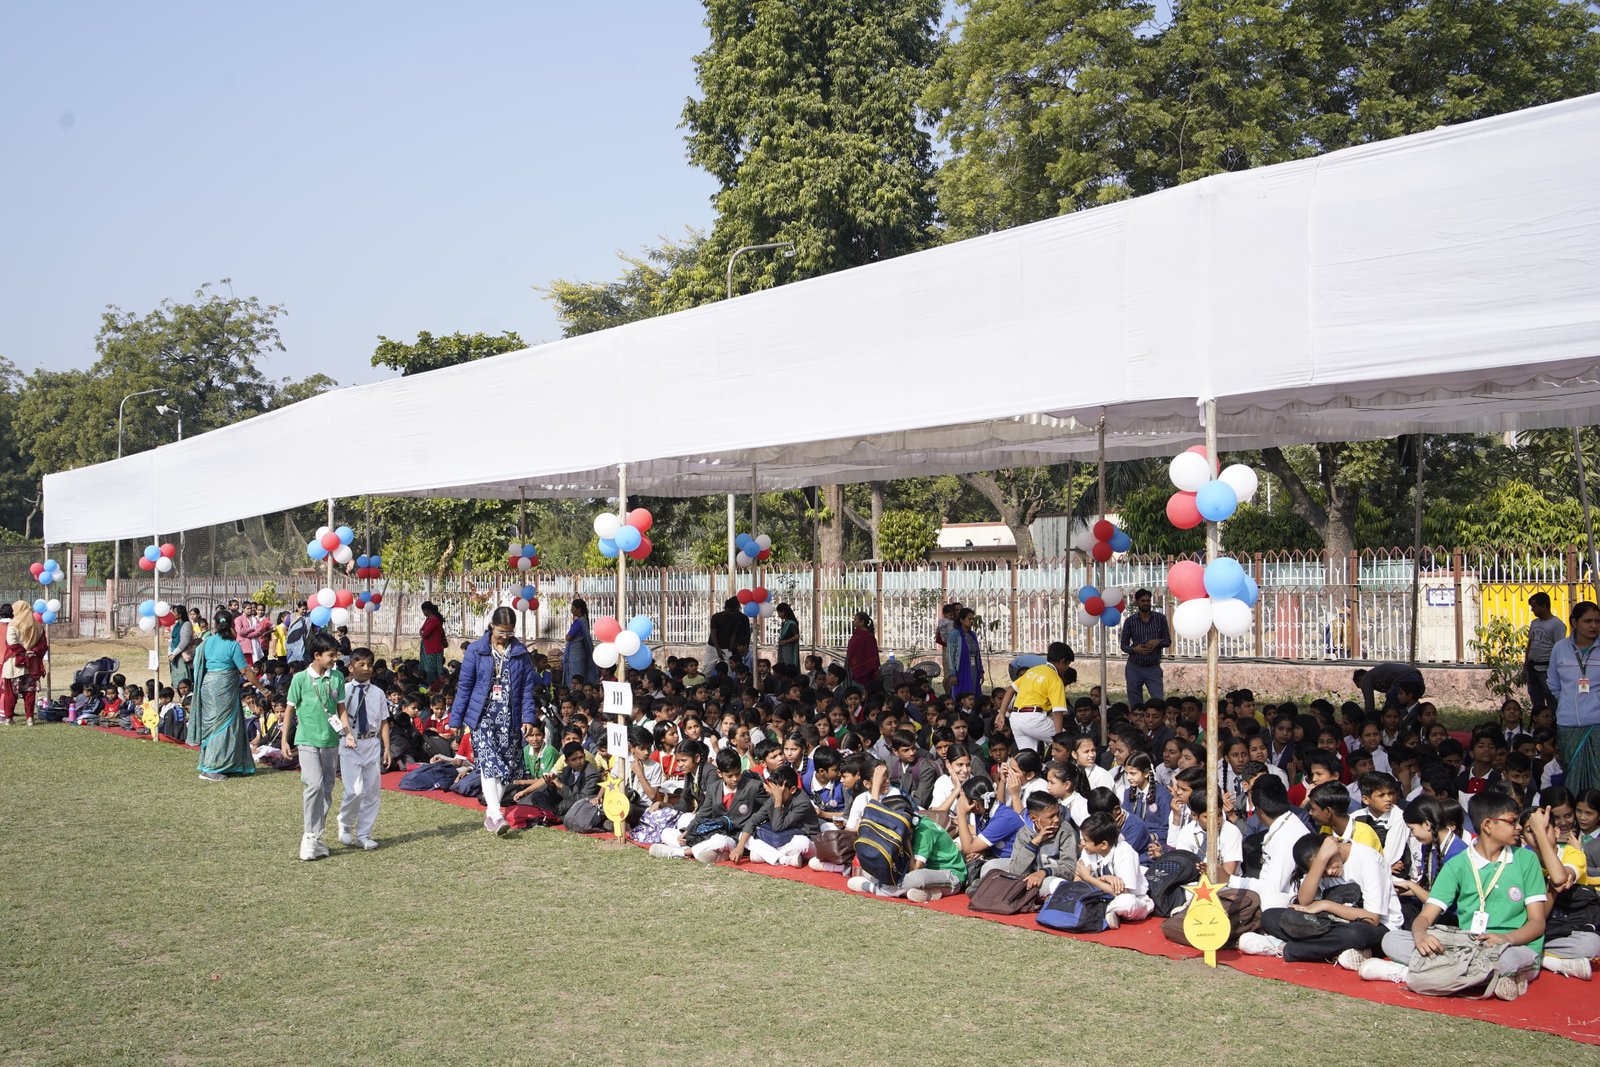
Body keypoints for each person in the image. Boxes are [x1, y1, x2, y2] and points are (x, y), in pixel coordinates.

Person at [1359, 791, 1547, 1000]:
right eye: (1512, 821)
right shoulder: (1459, 863)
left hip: (1513, 945)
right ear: (1488, 825)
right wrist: (1421, 937)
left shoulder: (1526, 860)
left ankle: (1408, 973)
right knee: (1392, 939)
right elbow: (1425, 917)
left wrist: (1506, 938)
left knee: (1508, 960)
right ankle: (1480, 977)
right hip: (1467, 944)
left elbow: (1537, 923)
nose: (1518, 827)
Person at [450, 606, 538, 835]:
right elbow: (465, 686)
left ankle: (491, 815)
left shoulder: (520, 653)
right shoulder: (476, 651)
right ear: (491, 626)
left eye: (509, 632)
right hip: (483, 716)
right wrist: (456, 719)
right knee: (489, 763)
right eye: (501, 631)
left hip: (510, 717)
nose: (505, 636)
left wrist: (528, 717)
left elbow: (527, 688)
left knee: (504, 769)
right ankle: (497, 814)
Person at [283, 633, 348, 861]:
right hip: (307, 740)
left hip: (330, 741)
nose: (335, 659)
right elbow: (289, 710)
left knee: (327, 789)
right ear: (317, 655)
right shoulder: (300, 679)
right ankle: (309, 836)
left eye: (336, 655)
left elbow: (340, 708)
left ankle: (317, 838)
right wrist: (284, 740)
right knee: (314, 785)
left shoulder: (337, 677)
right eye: (331, 655)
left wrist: (347, 733)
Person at [192, 609, 262, 781]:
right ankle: (212, 768)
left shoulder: (206, 643)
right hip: (224, 687)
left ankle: (230, 765)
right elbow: (245, 670)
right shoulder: (232, 645)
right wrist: (263, 689)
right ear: (232, 624)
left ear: (215, 625)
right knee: (222, 726)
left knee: (216, 725)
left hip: (208, 686)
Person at [338, 648, 389, 850]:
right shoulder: (343, 690)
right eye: (361, 665)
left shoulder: (378, 693)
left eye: (369, 665)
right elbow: (335, 715)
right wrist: (343, 734)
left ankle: (363, 834)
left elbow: (383, 721)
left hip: (371, 743)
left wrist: (386, 747)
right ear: (351, 667)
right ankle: (345, 822)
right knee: (355, 790)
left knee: (372, 792)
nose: (366, 669)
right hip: (350, 743)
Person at [1548, 600, 1600, 794]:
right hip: (1567, 724)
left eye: (1597, 621)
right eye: (1588, 621)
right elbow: (1553, 683)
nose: (1594, 626)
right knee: (1572, 776)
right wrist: (1567, 702)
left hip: (1597, 724)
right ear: (1574, 622)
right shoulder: (1560, 648)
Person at [997, 641, 1076, 754]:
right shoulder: (1055, 679)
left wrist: (1001, 714)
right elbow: (1057, 711)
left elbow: (1011, 689)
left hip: (1016, 719)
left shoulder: (1032, 671)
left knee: (1028, 758)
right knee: (1068, 743)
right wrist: (1059, 737)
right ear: (1063, 662)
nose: (1067, 668)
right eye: (1068, 665)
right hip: (1034, 719)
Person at [1119, 590, 1170, 706]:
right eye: (1143, 601)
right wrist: (1134, 649)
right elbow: (1123, 645)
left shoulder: (1160, 618)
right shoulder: (1130, 621)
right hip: (1134, 667)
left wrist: (1158, 641)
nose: (1146, 603)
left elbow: (1168, 641)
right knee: (1135, 702)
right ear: (1137, 602)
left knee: (1158, 701)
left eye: (1148, 600)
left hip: (1153, 667)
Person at [1, 600, 47, 726]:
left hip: (14, 663)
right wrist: (32, 651)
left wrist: (23, 652)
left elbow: (11, 643)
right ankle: (29, 719)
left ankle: (8, 718)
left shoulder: (13, 624)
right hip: (32, 663)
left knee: (11, 693)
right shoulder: (37, 625)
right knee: (29, 693)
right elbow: (43, 645)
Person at [1526, 592, 1566, 715]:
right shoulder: (1534, 623)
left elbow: (1559, 648)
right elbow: (1530, 643)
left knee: (1551, 699)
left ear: (1543, 606)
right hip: (1532, 667)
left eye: (1534, 606)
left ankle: (1553, 721)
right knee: (1536, 699)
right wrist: (1526, 663)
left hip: (1547, 669)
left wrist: (1556, 669)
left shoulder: (1557, 624)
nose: (1532, 610)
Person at [1353, 662, 1425, 717]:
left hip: (1406, 677)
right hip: (1417, 675)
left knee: (1389, 709)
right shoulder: (1376, 675)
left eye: (1361, 687)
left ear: (1360, 679)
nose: (1363, 689)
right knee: (1409, 706)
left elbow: (1369, 701)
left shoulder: (1366, 678)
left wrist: (1369, 720)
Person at [949, 607, 983, 699]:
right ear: (962, 620)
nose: (972, 621)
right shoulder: (954, 635)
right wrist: (952, 674)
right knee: (961, 693)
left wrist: (981, 671)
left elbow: (977, 654)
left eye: (973, 619)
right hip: (960, 669)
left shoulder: (973, 635)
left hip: (973, 668)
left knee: (973, 691)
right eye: (969, 619)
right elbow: (950, 655)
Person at [563, 598, 598, 687]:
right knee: (581, 674)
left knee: (575, 674)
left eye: (573, 608)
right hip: (581, 651)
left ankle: (574, 689)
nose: (571, 610)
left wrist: (567, 637)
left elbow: (568, 637)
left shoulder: (578, 622)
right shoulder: (584, 620)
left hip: (576, 653)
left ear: (579, 609)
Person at [846, 612, 881, 690]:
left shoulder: (868, 636)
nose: (854, 621)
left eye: (856, 619)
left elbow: (872, 653)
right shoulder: (856, 634)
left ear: (862, 622)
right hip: (852, 664)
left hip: (865, 668)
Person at [166, 604, 196, 690]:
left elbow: (184, 641)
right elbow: (172, 639)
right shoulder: (176, 625)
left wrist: (174, 653)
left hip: (181, 655)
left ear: (180, 614)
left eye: (174, 612)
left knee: (183, 678)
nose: (172, 614)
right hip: (174, 655)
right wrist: (170, 652)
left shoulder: (186, 624)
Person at [419, 601, 447, 684]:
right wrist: (422, 632)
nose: (423, 612)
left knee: (431, 670)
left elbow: (424, 633)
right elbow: (421, 630)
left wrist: (423, 633)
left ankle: (433, 685)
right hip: (429, 648)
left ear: (427, 610)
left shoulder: (434, 620)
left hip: (433, 649)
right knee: (428, 669)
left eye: (423, 610)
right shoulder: (428, 619)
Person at [774, 602, 800, 672]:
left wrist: (785, 641)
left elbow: (796, 636)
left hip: (789, 649)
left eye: (779, 613)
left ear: (783, 612)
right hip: (783, 649)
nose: (778, 615)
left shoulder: (791, 623)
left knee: (788, 666)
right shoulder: (785, 623)